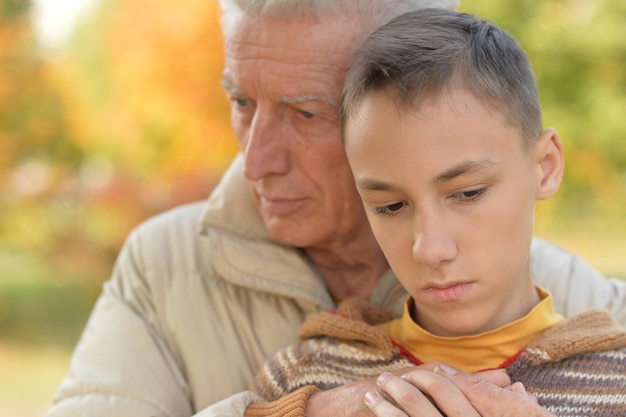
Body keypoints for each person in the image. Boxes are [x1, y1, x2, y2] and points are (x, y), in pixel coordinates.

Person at [44, 1, 626, 416]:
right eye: (242, 102)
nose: (255, 162)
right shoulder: (164, 268)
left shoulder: (599, 326)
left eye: (306, 113)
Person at [245, 8, 626, 417]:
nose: (429, 249)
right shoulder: (303, 381)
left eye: (467, 193)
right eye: (390, 206)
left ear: (545, 167)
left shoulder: (617, 383)